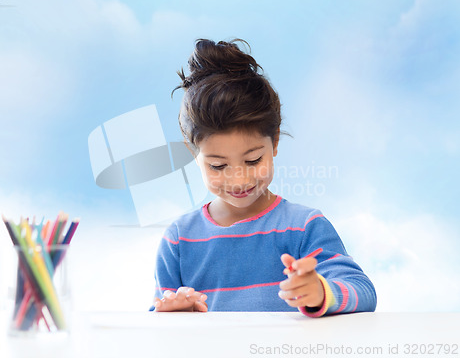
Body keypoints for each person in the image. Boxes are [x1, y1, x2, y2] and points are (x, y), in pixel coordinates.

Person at [152, 38, 377, 316]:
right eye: (218, 166)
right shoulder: (179, 240)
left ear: (275, 142)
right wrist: (174, 315)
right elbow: (157, 318)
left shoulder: (303, 227)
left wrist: (319, 291)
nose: (238, 180)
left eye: (253, 160)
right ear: (193, 153)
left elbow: (362, 290)